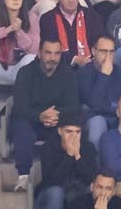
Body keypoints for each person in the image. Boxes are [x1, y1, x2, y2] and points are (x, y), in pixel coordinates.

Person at [12, 38, 81, 192]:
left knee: (74, 126)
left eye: (57, 53)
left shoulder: (68, 74)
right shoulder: (25, 73)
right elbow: (20, 107)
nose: (52, 58)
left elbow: (73, 106)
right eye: (48, 53)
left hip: (57, 121)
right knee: (21, 126)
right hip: (32, 121)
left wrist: (56, 115)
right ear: (39, 53)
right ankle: (23, 176)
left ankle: (69, 179)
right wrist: (40, 116)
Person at [77, 35, 121, 148]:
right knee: (98, 123)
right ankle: (95, 165)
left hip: (118, 117)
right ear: (93, 51)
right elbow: (93, 104)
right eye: (103, 51)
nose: (108, 57)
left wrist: (111, 108)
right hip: (94, 118)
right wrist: (104, 76)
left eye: (111, 52)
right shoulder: (84, 73)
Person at [33, 112, 100, 209]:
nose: (74, 136)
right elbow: (52, 181)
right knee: (56, 192)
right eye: (69, 131)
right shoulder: (49, 148)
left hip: (77, 190)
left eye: (77, 132)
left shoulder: (87, 147)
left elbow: (91, 178)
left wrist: (77, 157)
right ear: (60, 131)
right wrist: (69, 155)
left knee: (92, 190)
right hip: (50, 193)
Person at [40, 0, 104, 67]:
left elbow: (100, 42)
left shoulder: (92, 16)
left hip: (91, 66)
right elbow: (49, 50)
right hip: (60, 67)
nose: (71, 0)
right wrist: (74, 60)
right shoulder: (47, 19)